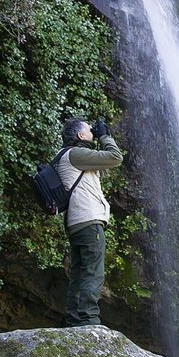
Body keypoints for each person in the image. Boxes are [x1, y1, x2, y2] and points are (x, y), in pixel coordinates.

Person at [56, 118, 123, 327]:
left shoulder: (67, 155)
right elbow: (115, 157)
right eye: (89, 130)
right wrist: (104, 136)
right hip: (88, 220)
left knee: (79, 273)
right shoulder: (76, 154)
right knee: (92, 272)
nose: (92, 132)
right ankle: (88, 319)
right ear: (80, 135)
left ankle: (74, 319)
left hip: (76, 222)